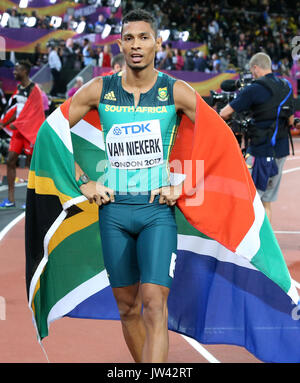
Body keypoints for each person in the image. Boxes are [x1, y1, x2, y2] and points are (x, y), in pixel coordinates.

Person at [67, 9, 197, 363]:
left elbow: (217, 139)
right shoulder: (99, 89)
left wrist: (183, 185)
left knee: (155, 305)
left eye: (143, 37)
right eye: (129, 38)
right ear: (120, 44)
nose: (136, 45)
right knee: (127, 308)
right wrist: (84, 180)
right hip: (114, 212)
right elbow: (51, 132)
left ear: (157, 43)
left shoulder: (176, 91)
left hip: (157, 211)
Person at [219, 52, 294, 223]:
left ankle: (253, 242)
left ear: (255, 68)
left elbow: (225, 113)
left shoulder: (253, 89)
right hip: (281, 151)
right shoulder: (286, 86)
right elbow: (290, 120)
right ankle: (267, 243)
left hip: (260, 150)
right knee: (266, 201)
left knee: (252, 200)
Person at [0, 60, 44, 208]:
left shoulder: (34, 89)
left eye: (16, 70)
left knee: (31, 166)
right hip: (18, 131)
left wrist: (18, 123)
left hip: (29, 132)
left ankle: (30, 200)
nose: (14, 72)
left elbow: (35, 114)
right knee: (10, 160)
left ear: (24, 71)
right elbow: (17, 110)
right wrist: (4, 123)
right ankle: (11, 200)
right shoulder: (18, 88)